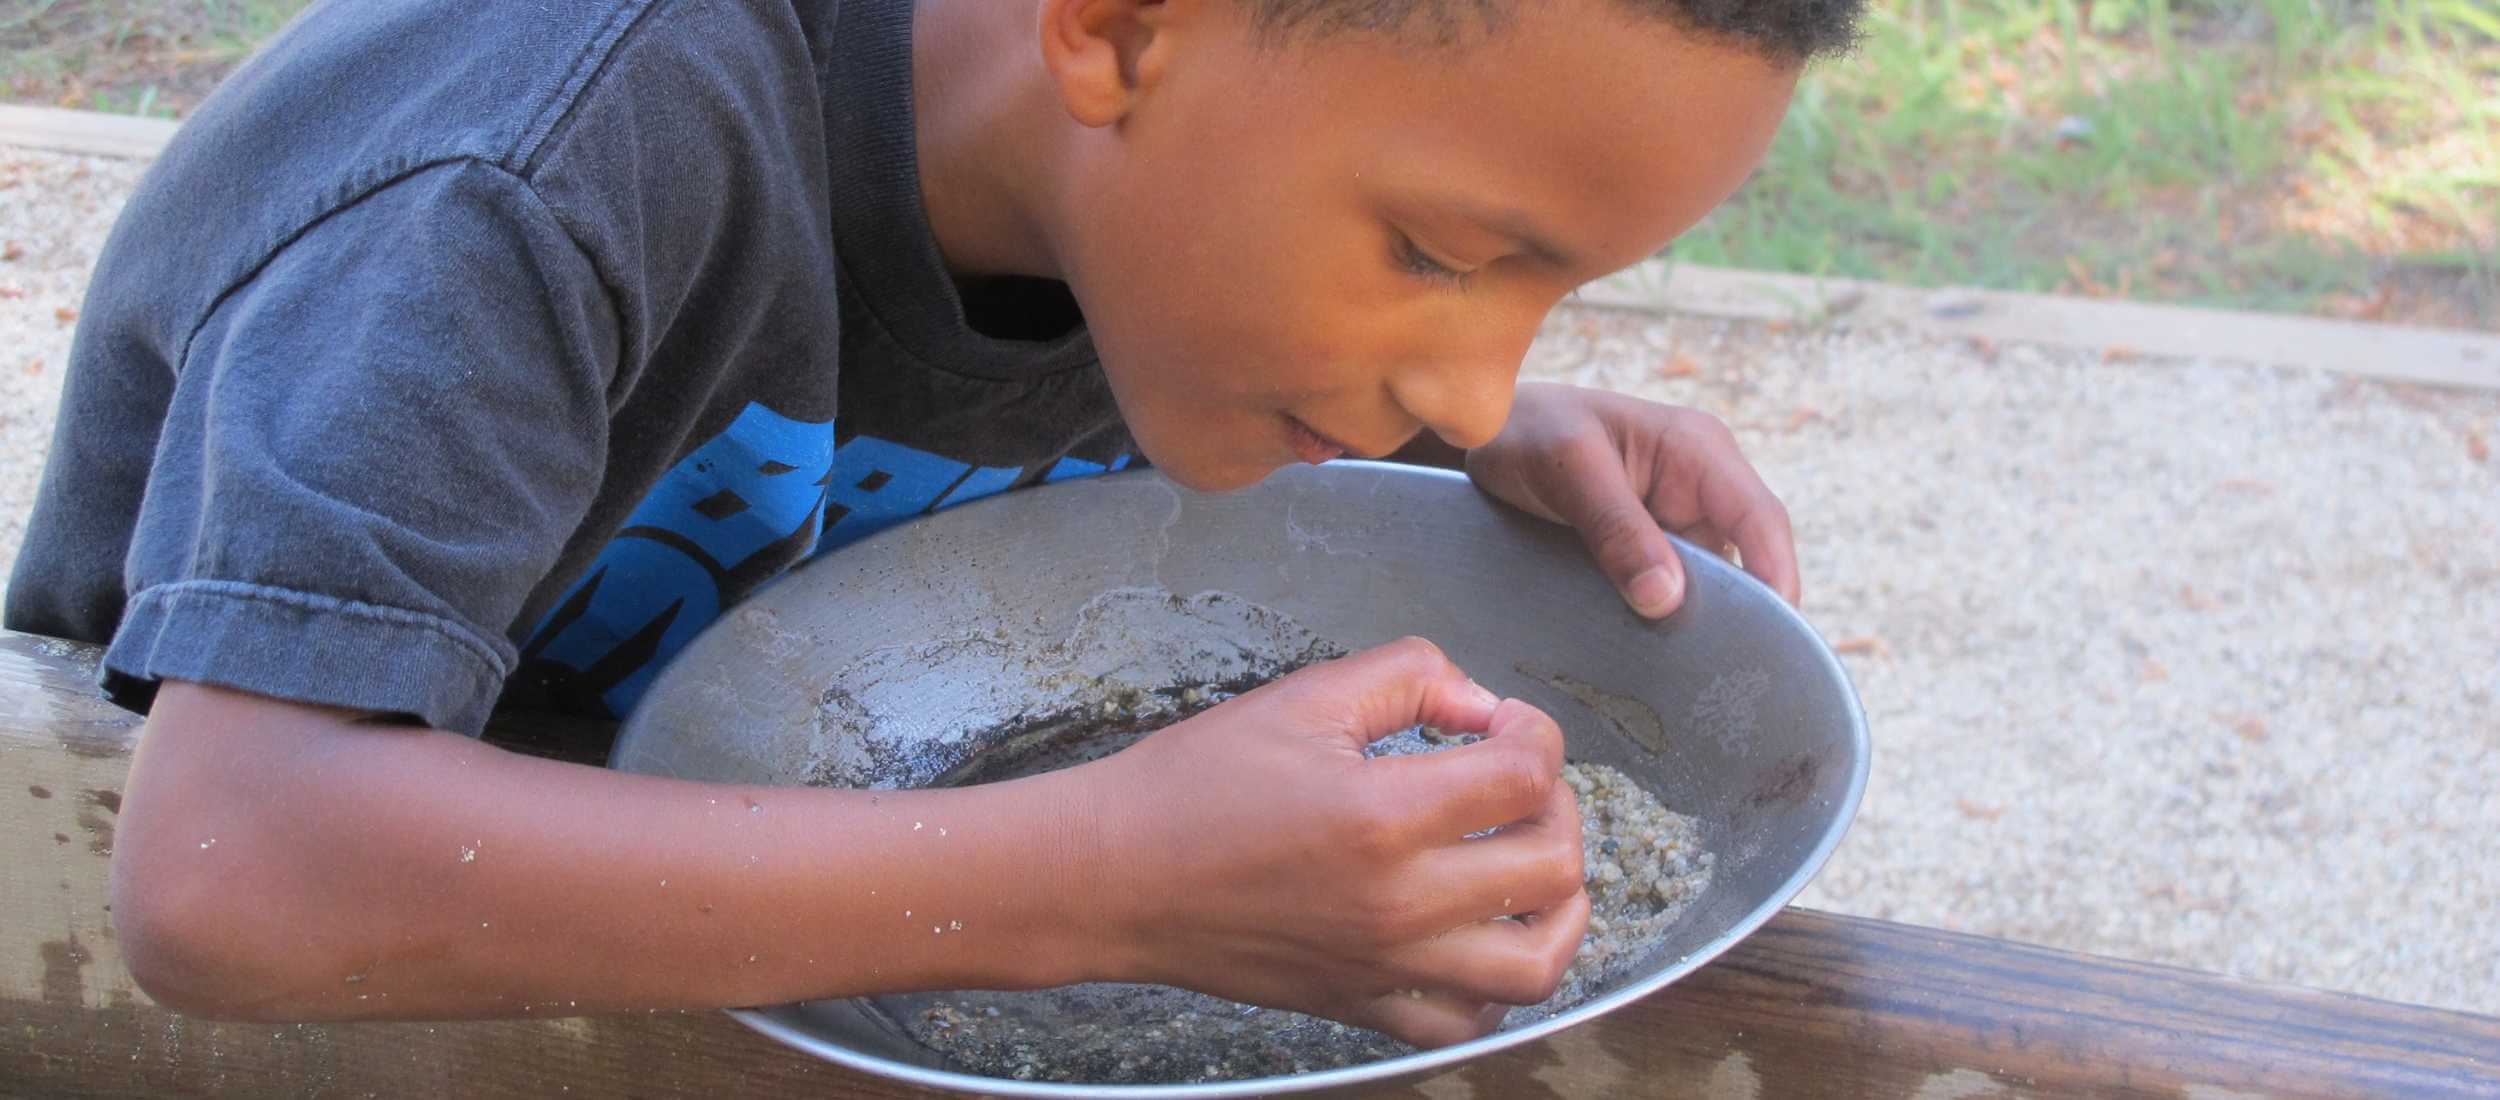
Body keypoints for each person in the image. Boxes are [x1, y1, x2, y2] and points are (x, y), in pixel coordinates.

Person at [6, 0, 1850, 1048]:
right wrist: (1115, 872)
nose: (1468, 372)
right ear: (1120, 29)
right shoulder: (550, 161)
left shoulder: (1126, 192)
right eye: (1443, 255)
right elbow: (224, 871)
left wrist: (1477, 429)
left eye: (1547, 294)